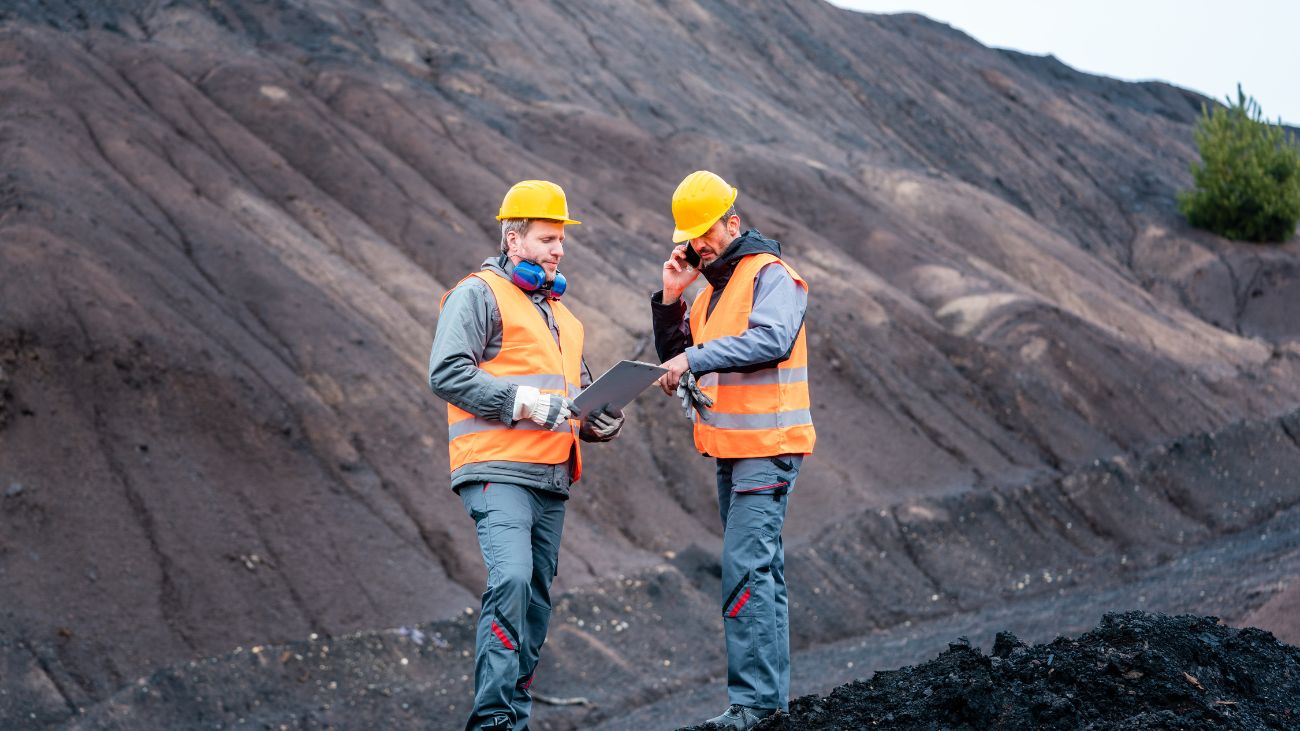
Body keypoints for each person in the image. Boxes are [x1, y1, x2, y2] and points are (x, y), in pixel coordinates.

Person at [428, 179, 624, 731]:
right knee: (511, 581)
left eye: (561, 239)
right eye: (545, 238)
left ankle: (514, 718)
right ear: (514, 240)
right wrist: (520, 402)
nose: (557, 249)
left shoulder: (566, 319)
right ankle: (491, 722)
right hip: (495, 469)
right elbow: (446, 372)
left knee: (535, 602)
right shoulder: (478, 293)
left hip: (551, 478)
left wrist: (601, 421)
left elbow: (576, 403)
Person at [650, 170, 815, 730]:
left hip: (767, 447)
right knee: (762, 570)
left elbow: (772, 339)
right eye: (692, 237)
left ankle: (755, 705)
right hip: (731, 449)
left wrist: (693, 361)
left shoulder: (772, 275)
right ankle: (771, 705)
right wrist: (672, 299)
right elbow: (680, 351)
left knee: (745, 568)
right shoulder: (711, 294)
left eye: (707, 232)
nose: (699, 244)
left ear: (733, 223)